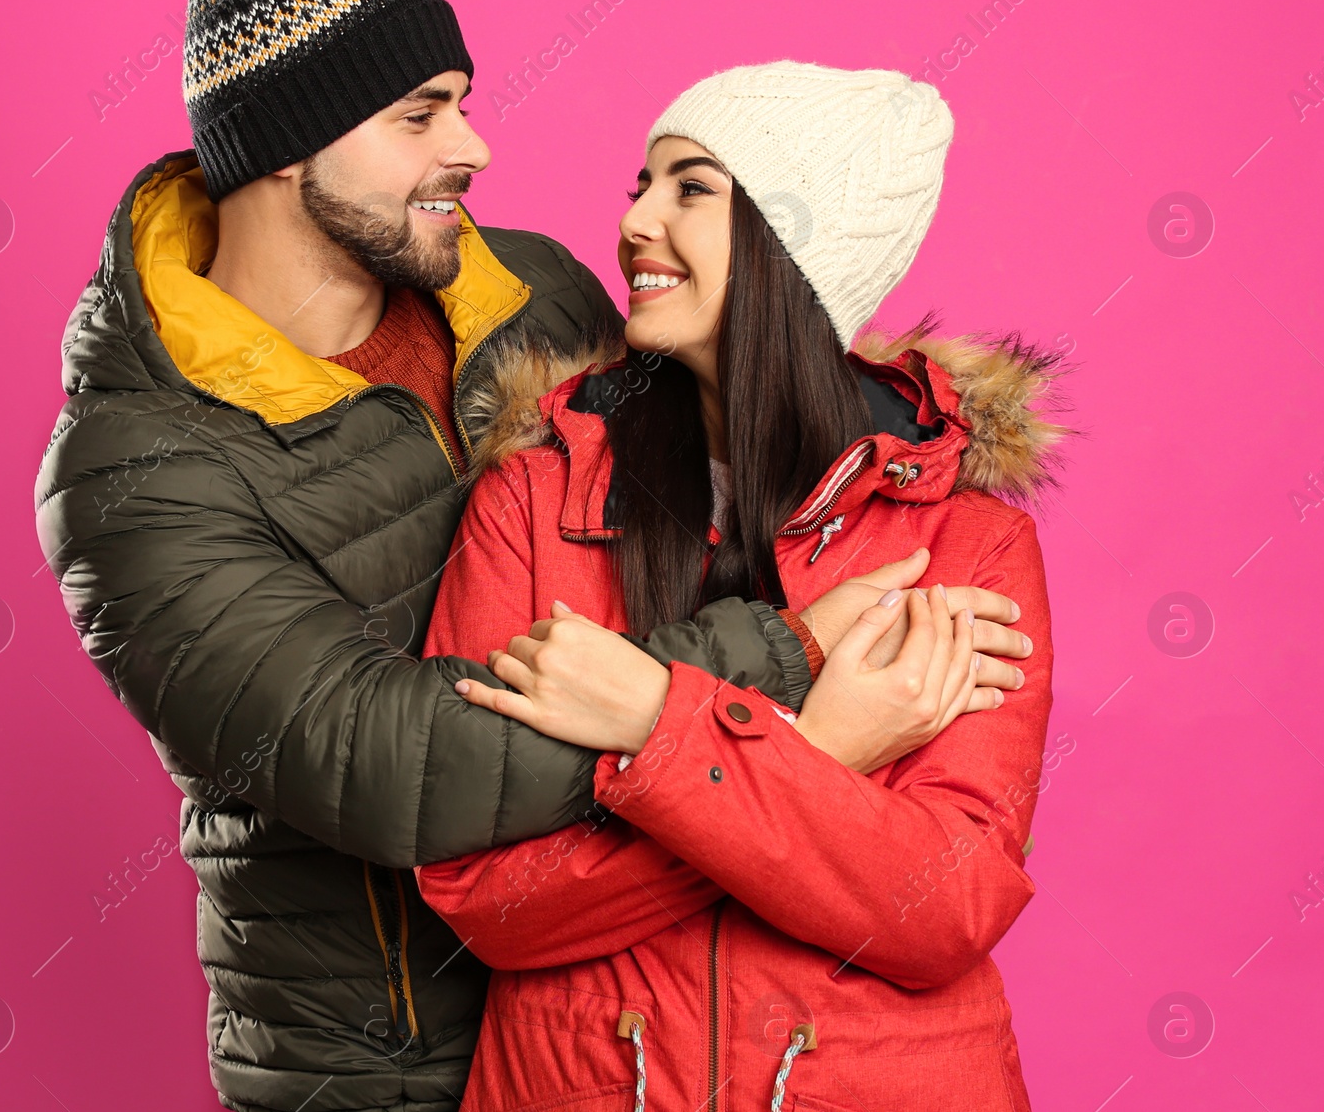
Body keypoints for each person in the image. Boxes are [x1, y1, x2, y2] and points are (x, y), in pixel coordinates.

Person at [32, 0, 1034, 1112]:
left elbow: (751, 403)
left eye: (462, 97)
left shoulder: (530, 298)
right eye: (420, 113)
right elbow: (370, 753)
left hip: (619, 1022)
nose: (477, 148)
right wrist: (787, 688)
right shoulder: (136, 468)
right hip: (372, 1066)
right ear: (289, 143)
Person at [418, 62, 1066, 1111]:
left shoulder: (965, 543)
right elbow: (484, 898)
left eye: (689, 188)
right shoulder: (531, 505)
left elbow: (943, 902)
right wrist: (822, 751)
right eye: (640, 184)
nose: (634, 219)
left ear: (794, 243)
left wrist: (649, 716)